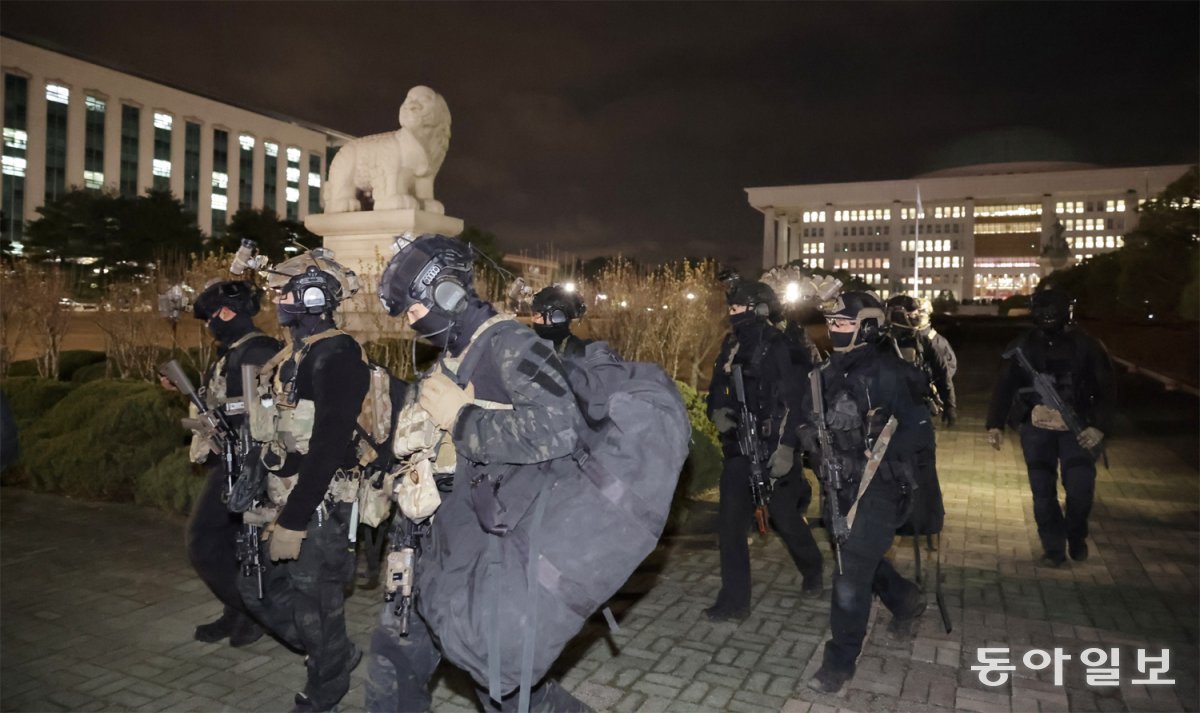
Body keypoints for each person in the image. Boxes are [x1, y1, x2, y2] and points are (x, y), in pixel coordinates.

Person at [368, 234, 589, 712]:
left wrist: (463, 419)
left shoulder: (512, 344)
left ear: (446, 294)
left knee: (503, 688)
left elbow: (562, 429)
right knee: (392, 666)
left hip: (487, 551)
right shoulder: (452, 351)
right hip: (429, 543)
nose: (412, 323)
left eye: (413, 310)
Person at [239, 250, 369, 713]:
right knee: (256, 589)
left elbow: (330, 443)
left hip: (318, 507)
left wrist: (294, 520)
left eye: (288, 291)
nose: (279, 298)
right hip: (280, 499)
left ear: (314, 298)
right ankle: (334, 652)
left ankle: (327, 681)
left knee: (316, 605)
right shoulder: (293, 352)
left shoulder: (337, 354)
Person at [799, 291, 935, 694]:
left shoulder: (893, 373)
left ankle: (838, 662)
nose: (835, 331)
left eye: (844, 324)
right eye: (832, 324)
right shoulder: (824, 372)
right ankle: (906, 600)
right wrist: (811, 439)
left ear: (869, 326)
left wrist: (871, 445)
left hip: (880, 486)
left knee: (848, 573)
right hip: (837, 485)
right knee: (861, 559)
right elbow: (809, 420)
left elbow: (920, 435)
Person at [704, 280, 823, 623]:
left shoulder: (782, 346)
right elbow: (718, 387)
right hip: (739, 447)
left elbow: (798, 402)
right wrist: (718, 411)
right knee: (729, 527)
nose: (732, 313)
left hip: (775, 449)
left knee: (785, 518)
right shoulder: (731, 345)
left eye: (738, 307)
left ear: (759, 309)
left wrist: (787, 449)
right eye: (730, 308)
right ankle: (734, 601)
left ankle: (812, 568)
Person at [179, 280, 279, 647]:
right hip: (230, 458)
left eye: (210, 317)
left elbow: (264, 412)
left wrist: (253, 465)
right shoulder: (235, 350)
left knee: (202, 541)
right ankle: (238, 612)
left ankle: (257, 612)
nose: (208, 325)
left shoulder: (256, 351)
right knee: (233, 545)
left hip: (247, 464)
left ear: (225, 313)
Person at [986, 286, 1115, 566]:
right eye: (1041, 310)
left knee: (1080, 490)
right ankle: (1053, 548)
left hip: (1078, 430)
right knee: (1043, 493)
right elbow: (1004, 385)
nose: (1046, 316)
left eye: (1052, 310)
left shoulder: (1088, 345)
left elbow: (1107, 389)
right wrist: (995, 424)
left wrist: (1099, 427)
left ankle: (1076, 533)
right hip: (1037, 431)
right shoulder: (1023, 345)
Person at [885, 294, 957, 427]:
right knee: (883, 444)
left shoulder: (925, 341)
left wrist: (950, 405)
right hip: (888, 408)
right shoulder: (883, 340)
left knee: (917, 442)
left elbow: (943, 374)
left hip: (916, 406)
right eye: (912, 314)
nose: (916, 317)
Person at [530, 284, 591, 358]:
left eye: (536, 315)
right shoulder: (529, 340)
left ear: (557, 317)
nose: (532, 319)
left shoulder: (579, 351)